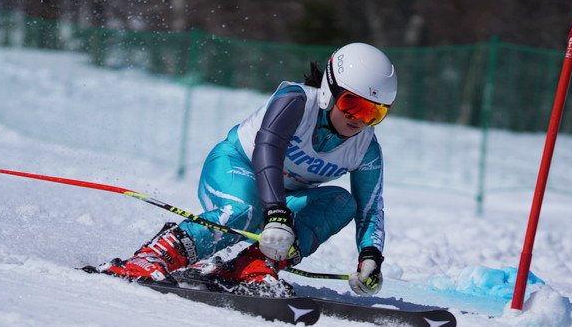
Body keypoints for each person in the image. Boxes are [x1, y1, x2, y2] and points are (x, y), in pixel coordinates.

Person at [100, 42, 397, 296]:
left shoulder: (366, 148)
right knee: (247, 211)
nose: (360, 120)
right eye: (353, 105)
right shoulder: (295, 101)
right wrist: (277, 215)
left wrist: (370, 258)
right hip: (236, 167)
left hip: (281, 198)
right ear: (329, 91)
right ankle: (154, 257)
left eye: (375, 112)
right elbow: (268, 150)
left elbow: (370, 209)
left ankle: (255, 264)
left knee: (342, 203)